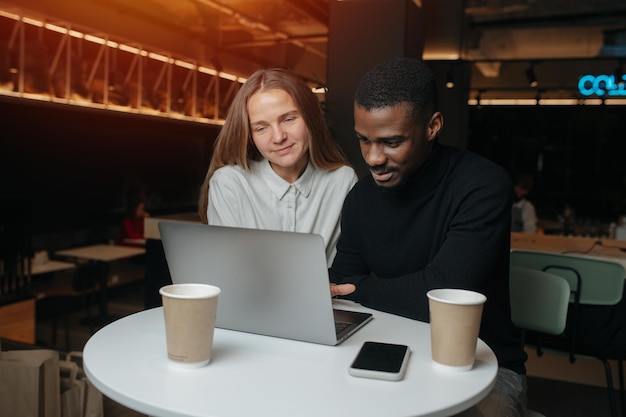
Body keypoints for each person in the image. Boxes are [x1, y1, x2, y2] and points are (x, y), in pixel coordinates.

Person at [329, 57, 527, 417]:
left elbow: (443, 294)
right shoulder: (360, 197)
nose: (373, 158)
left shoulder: (482, 186)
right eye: (363, 140)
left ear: (433, 126)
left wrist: (359, 289)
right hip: (389, 348)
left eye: (391, 142)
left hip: (484, 363)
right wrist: (347, 287)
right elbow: (340, 283)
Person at [198, 68, 357, 265]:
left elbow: (350, 265)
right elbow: (229, 268)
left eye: (288, 119)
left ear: (310, 118)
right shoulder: (230, 183)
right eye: (261, 128)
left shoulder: (342, 181)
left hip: (325, 296)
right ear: (250, 135)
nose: (278, 137)